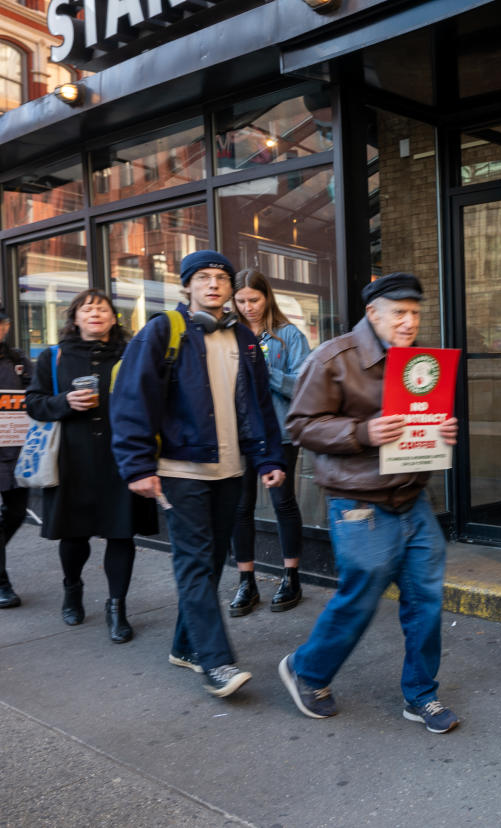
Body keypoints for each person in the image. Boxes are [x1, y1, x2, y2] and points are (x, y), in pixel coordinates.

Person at [278, 272, 460, 731]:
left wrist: (441, 432)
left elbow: (422, 418)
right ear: (373, 313)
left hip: (412, 496)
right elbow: (299, 425)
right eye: (399, 312)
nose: (409, 322)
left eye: (415, 313)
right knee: (361, 593)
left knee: (427, 600)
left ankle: (420, 695)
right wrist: (362, 432)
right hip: (357, 499)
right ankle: (307, 669)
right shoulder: (333, 357)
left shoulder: (419, 361)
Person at [111, 250, 286, 698]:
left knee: (209, 563)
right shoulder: (162, 332)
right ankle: (217, 662)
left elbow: (261, 407)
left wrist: (268, 458)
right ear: (186, 285)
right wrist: (137, 466)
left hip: (230, 469)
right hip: (179, 468)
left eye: (221, 278)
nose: (213, 284)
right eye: (203, 277)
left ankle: (185, 647)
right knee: (193, 561)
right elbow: (133, 398)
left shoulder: (244, 339)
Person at [26, 290, 158, 641]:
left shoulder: (131, 355)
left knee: (121, 533)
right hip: (73, 459)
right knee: (73, 534)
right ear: (76, 318)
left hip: (121, 458)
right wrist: (65, 401)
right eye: (88, 309)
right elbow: (34, 404)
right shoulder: (53, 358)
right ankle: (72, 589)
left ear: (114, 319)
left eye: (103, 309)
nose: (96, 313)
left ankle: (117, 607)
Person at [228, 268, 310, 615]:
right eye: (242, 300)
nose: (248, 307)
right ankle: (246, 581)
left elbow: (304, 386)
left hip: (279, 433)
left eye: (255, 299)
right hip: (238, 434)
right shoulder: (228, 335)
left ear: (267, 297)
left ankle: (291, 576)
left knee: (283, 503)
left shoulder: (288, 335)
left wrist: (264, 368)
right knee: (240, 507)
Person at [0, 311, 31, 609]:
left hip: (15, 451)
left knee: (17, 512)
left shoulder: (18, 359)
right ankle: (2, 583)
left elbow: (35, 394)